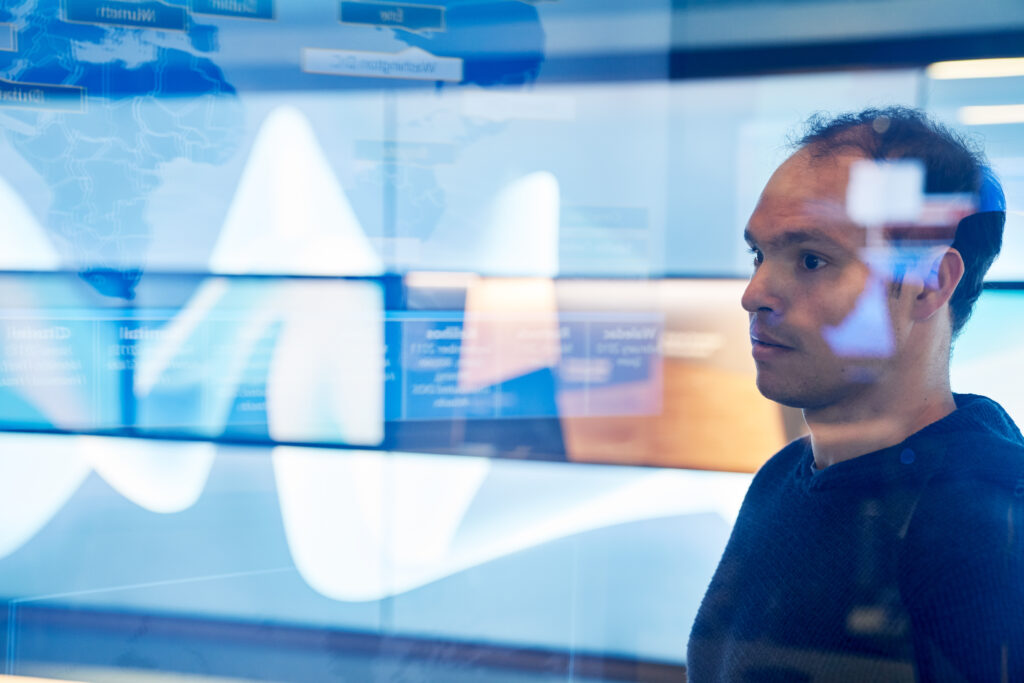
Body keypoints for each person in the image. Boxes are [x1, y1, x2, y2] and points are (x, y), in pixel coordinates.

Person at [687, 107, 1024, 681]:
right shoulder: (785, 475)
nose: (754, 293)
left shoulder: (985, 525)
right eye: (759, 255)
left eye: (812, 260)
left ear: (926, 284)